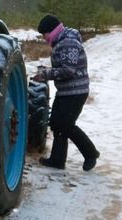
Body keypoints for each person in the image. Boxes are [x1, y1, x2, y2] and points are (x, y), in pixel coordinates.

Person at [33, 14, 100, 171]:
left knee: (66, 126)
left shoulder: (67, 42)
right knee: (57, 124)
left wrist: (45, 75)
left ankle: (90, 153)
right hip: (66, 91)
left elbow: (69, 70)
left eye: (44, 34)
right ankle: (57, 160)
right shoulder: (61, 40)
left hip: (76, 92)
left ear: (51, 31)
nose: (44, 38)